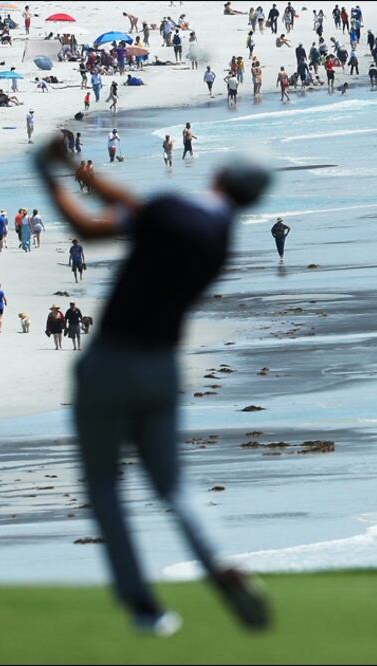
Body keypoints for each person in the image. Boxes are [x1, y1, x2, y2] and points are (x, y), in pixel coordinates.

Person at [35, 135, 272, 636]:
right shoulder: (218, 241)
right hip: (162, 367)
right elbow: (131, 207)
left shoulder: (171, 211)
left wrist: (51, 173)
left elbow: (90, 225)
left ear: (220, 175)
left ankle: (143, 603)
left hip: (111, 360)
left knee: (104, 486)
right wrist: (81, 169)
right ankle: (220, 563)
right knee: (173, 485)